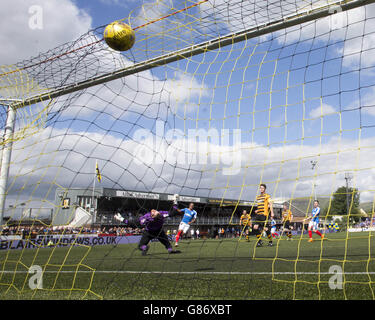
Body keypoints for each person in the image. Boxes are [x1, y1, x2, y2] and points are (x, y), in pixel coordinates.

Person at [115, 208, 180, 255]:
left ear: (152, 215)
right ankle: (170, 250)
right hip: (159, 231)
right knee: (167, 243)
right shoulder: (162, 215)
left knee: (140, 246)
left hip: (148, 232)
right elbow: (173, 212)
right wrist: (175, 201)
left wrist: (121, 219)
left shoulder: (147, 218)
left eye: (154, 212)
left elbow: (133, 223)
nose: (154, 210)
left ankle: (145, 247)